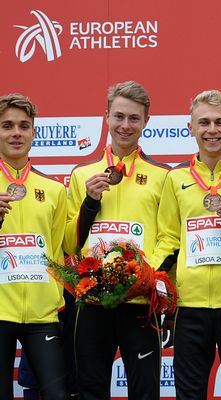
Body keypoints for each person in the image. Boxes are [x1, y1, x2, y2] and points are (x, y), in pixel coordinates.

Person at [64, 81, 169, 400]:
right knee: (90, 390)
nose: (126, 126)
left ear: (146, 121)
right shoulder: (83, 174)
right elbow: (69, 242)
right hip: (93, 301)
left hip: (139, 303)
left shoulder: (162, 175)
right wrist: (90, 202)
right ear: (106, 117)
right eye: (119, 117)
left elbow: (168, 236)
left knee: (144, 391)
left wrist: (147, 274)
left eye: (134, 119)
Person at [155, 90, 221, 399]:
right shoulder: (175, 178)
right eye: (203, 123)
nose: (211, 130)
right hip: (190, 306)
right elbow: (169, 239)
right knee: (189, 394)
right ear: (190, 128)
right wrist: (153, 279)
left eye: (219, 122)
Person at [0, 93, 69, 399]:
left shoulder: (54, 188)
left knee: (56, 394)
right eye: (7, 126)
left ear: (34, 132)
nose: (16, 132)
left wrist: (55, 298)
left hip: (42, 315)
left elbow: (57, 250)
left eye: (24, 126)